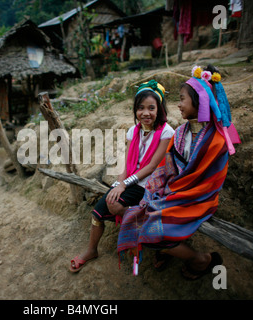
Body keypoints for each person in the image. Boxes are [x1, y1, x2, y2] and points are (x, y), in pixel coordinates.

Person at [117, 65, 241, 280]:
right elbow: (167, 167)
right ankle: (166, 252)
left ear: (200, 102)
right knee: (139, 212)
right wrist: (155, 190)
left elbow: (207, 183)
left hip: (198, 198)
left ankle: (200, 259)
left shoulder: (217, 141)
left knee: (152, 227)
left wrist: (172, 193)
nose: (179, 104)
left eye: (183, 99)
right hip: (174, 192)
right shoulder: (181, 132)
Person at [70, 80, 175, 273]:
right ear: (135, 110)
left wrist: (123, 185)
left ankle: (151, 240)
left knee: (116, 205)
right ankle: (91, 250)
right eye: (141, 108)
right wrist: (119, 183)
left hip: (150, 185)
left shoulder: (166, 132)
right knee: (97, 213)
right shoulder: (132, 131)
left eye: (151, 108)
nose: (146, 113)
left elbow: (152, 167)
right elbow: (127, 163)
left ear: (159, 109)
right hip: (131, 182)